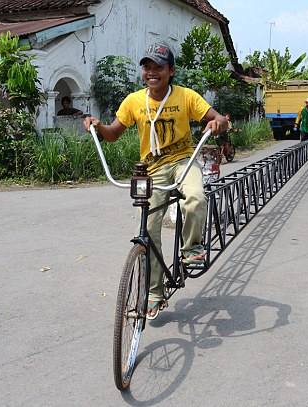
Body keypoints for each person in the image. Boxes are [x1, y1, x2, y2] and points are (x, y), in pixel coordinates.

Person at [83, 42, 226, 320]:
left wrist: (218, 122)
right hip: (152, 168)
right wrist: (97, 127)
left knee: (195, 197)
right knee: (147, 231)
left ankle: (191, 248)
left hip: (184, 160)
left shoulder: (186, 97)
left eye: (158, 67)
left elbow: (217, 118)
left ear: (171, 71)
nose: (152, 72)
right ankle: (154, 293)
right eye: (147, 67)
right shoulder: (134, 101)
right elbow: (113, 133)